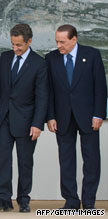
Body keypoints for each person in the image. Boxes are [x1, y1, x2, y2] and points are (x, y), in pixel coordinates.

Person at [46, 24, 107, 210]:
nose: (59, 45)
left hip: (89, 117)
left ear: (74, 39)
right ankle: (71, 201)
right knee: (66, 161)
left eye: (62, 42)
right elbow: (48, 91)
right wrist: (50, 116)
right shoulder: (51, 58)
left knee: (91, 161)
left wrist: (99, 114)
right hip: (62, 118)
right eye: (56, 41)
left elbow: (100, 88)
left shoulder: (92, 55)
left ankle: (88, 202)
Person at [0, 24, 48, 213]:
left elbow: (42, 97)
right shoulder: (5, 58)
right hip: (4, 119)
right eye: (13, 44)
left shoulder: (39, 63)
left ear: (29, 41)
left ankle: (24, 200)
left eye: (19, 45)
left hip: (27, 122)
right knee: (3, 161)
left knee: (25, 162)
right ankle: (3, 199)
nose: (15, 48)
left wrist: (37, 123)